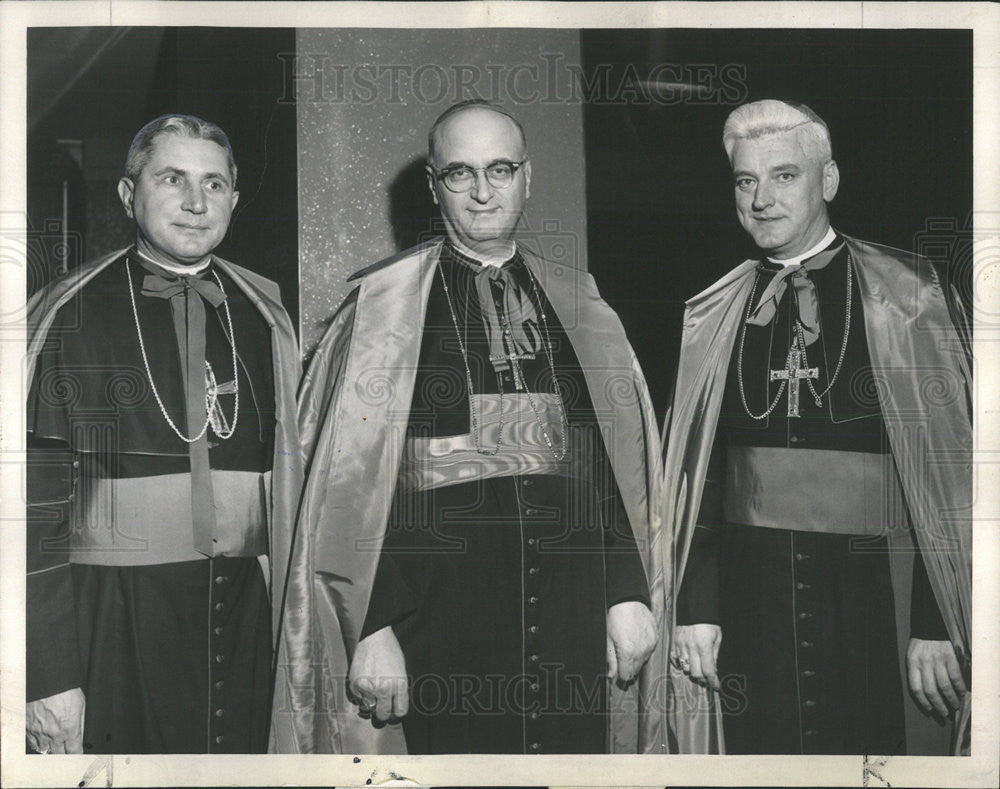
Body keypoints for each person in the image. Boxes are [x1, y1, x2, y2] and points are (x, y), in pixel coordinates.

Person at [283, 100, 663, 754]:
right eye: (460, 173)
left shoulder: (578, 303)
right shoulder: (379, 312)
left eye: (500, 170)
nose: (484, 191)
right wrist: (371, 627)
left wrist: (626, 590)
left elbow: (609, 459)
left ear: (527, 177)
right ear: (434, 185)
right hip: (441, 624)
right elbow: (343, 482)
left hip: (573, 614)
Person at [663, 99, 972, 755]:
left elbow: (953, 472)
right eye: (745, 181)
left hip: (874, 591)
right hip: (750, 597)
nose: (761, 199)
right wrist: (697, 607)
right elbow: (698, 474)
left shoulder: (908, 294)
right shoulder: (712, 309)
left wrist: (936, 618)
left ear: (827, 180)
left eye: (784, 176)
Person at [24, 115, 302, 754]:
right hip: (111, 618)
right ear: (129, 195)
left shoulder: (265, 313)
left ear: (234, 197)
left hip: (244, 621)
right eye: (172, 178)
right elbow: (29, 509)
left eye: (214, 183)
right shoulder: (66, 312)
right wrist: (46, 675)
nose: (196, 202)